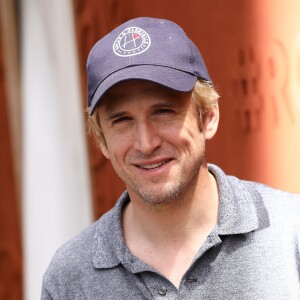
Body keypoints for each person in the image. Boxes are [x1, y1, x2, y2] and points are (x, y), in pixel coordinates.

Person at [41, 17, 300, 299]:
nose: (146, 142)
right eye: (122, 120)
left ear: (209, 117)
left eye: (163, 112)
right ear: (102, 140)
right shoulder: (69, 278)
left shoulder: (291, 232)